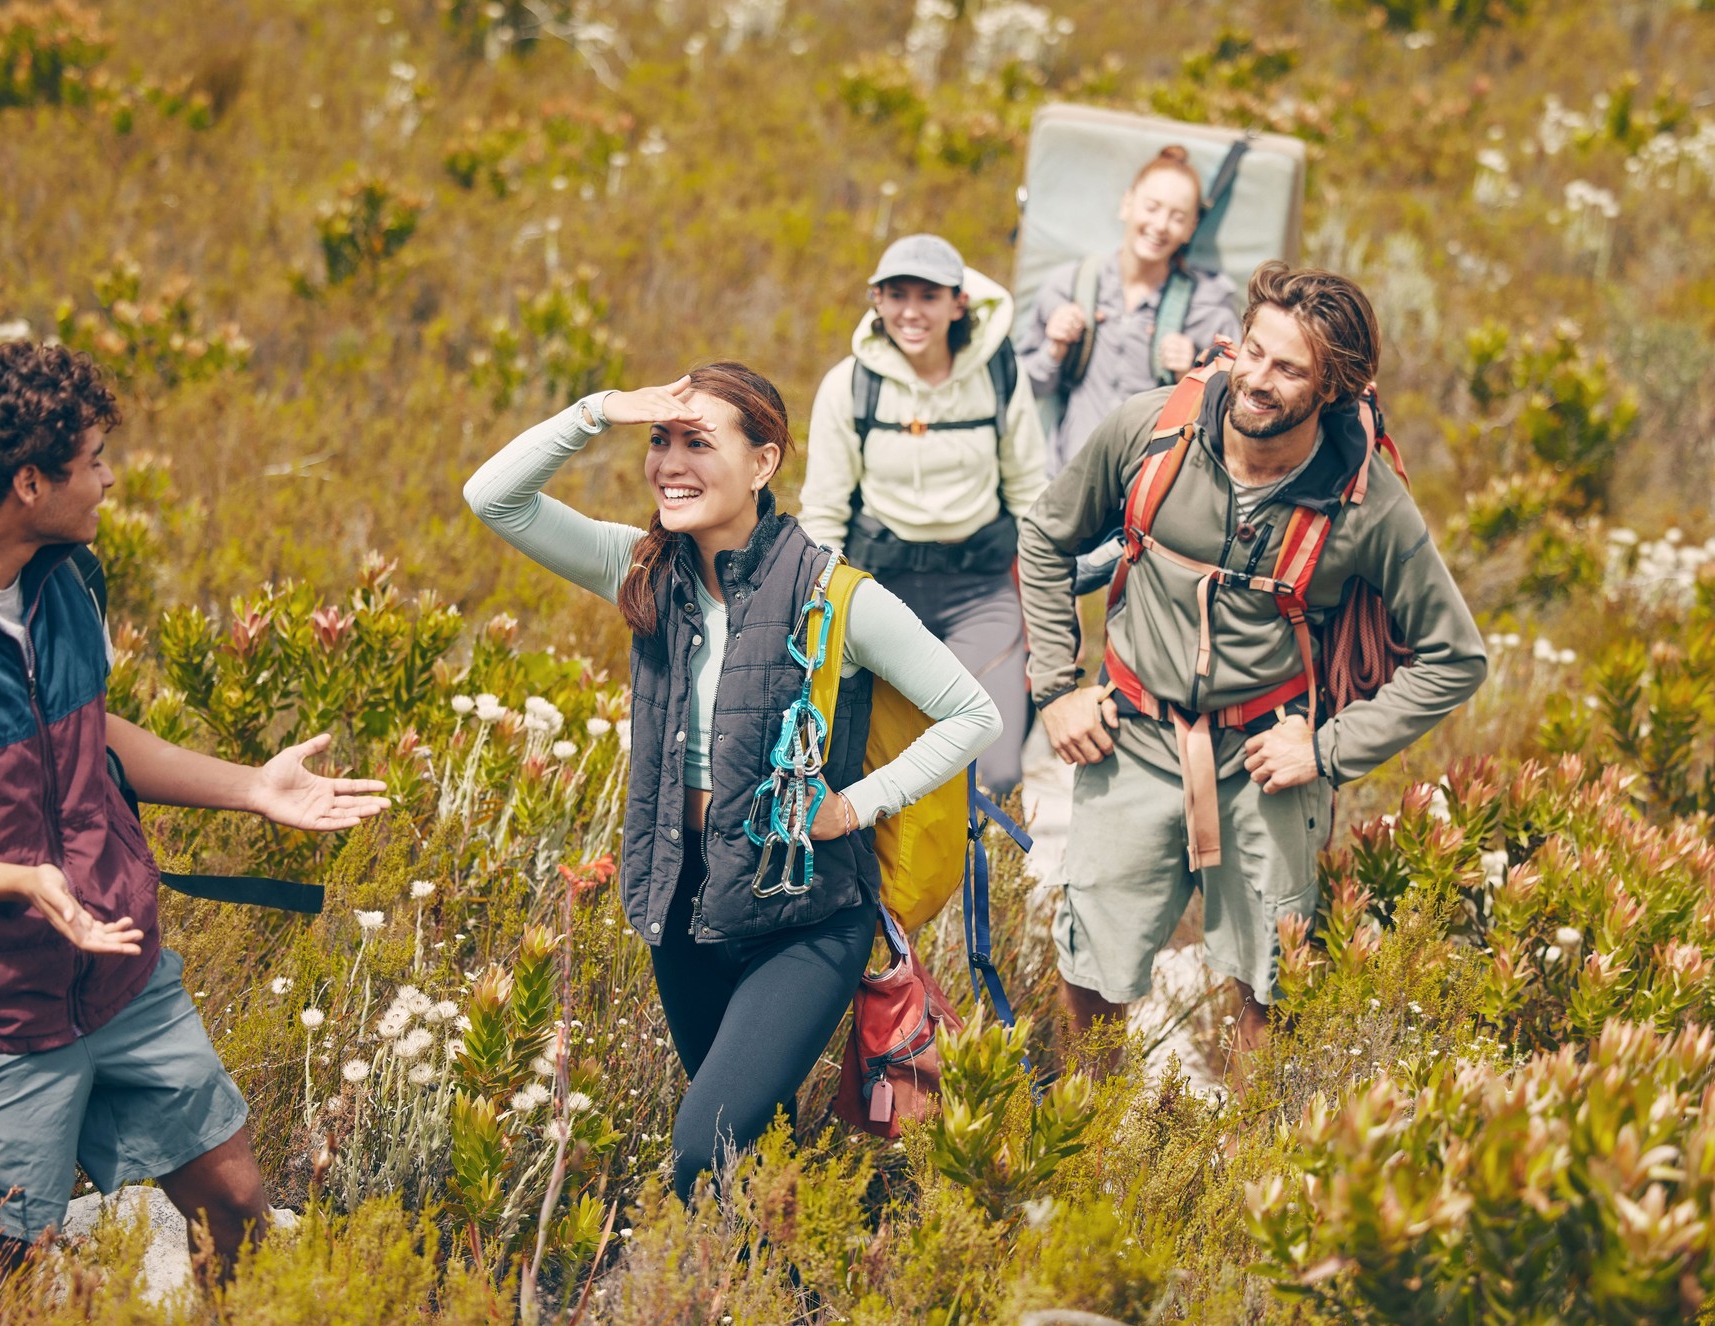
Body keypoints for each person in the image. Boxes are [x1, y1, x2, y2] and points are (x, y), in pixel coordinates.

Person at [0, 343, 390, 1272]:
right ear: (29, 482)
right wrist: (17, 881)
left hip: (121, 975)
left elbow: (85, 732)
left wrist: (251, 788)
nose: (110, 480)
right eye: (94, 461)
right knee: (0, 1268)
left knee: (234, 1205)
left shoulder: (62, 578)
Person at [465, 362, 1000, 1199]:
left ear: (763, 463)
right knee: (755, 1145)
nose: (670, 463)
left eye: (698, 442)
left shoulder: (834, 596)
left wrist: (854, 806)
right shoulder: (641, 569)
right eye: (659, 441)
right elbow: (494, 498)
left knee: (700, 1144)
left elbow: (972, 713)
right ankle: (780, 1287)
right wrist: (597, 409)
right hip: (682, 901)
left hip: (805, 915)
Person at [1017, 263, 1486, 1058]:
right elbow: (1044, 536)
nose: (1256, 380)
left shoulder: (1366, 504)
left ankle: (1247, 1167)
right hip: (1132, 738)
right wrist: (1057, 686)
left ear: (1334, 388)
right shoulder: (1149, 432)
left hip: (1271, 760)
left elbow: (1455, 657)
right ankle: (1087, 1149)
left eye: (1288, 368)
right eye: (1253, 352)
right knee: (1091, 966)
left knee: (1272, 983)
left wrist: (1328, 749)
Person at [797, 234, 1046, 798]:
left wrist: (1048, 598)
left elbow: (1031, 491)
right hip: (882, 592)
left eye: (929, 296)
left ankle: (979, 881)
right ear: (876, 301)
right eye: (896, 294)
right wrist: (822, 606)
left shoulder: (1000, 374)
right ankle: (888, 887)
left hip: (980, 592)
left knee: (995, 769)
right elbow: (825, 510)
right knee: (878, 761)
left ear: (959, 303)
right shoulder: (849, 385)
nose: (912, 311)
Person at [1015, 145, 1243, 481]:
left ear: (1191, 228)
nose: (1160, 225)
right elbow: (1024, 385)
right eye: (1151, 208)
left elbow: (1234, 413)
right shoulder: (1070, 286)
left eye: (1177, 217)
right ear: (1127, 203)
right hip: (1067, 480)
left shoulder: (1208, 310)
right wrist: (1055, 349)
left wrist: (1192, 372)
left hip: (1152, 492)